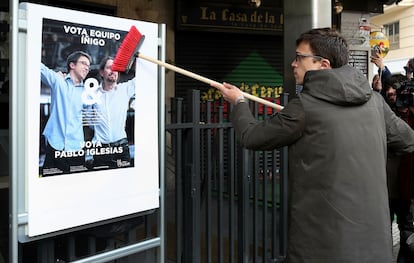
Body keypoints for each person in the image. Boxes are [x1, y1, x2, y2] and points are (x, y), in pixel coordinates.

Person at [211, 27, 414, 262]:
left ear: (323, 65)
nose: (293, 64)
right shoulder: (376, 103)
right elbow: (408, 140)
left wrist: (239, 102)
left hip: (321, 247)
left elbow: (251, 136)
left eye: (299, 57)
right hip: (374, 246)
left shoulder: (305, 106)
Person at [41, 50, 92, 175]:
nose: (87, 68)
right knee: (49, 186)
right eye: (84, 63)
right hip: (55, 145)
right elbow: (39, 67)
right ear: (72, 65)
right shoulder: (59, 82)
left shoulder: (87, 92)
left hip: (76, 149)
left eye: (88, 66)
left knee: (75, 188)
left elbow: (90, 119)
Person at [384, 73, 414, 262]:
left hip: (407, 189)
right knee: (381, 233)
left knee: (407, 236)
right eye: (388, 88)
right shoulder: (385, 113)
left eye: (395, 89)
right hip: (384, 187)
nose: (390, 92)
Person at [87, 56, 135, 169]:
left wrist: (135, 60)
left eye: (116, 68)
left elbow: (144, 78)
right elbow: (89, 121)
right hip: (100, 149)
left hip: (121, 148)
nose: (113, 71)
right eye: (109, 67)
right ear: (102, 72)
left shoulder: (125, 89)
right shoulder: (92, 94)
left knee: (124, 182)